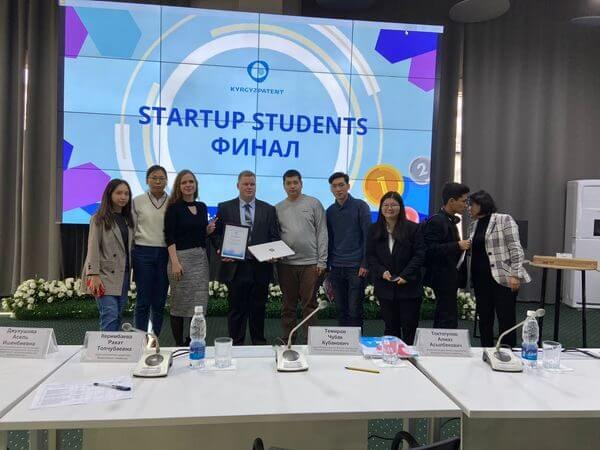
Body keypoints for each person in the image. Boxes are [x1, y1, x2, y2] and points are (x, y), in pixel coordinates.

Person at [212, 170, 280, 345]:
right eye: (245, 184)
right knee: (236, 309)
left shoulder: (269, 209)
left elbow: (274, 237)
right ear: (238, 186)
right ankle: (236, 345)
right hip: (236, 267)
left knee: (258, 308)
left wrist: (273, 253)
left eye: (252, 184)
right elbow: (216, 234)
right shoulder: (225, 207)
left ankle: (259, 344)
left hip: (260, 267)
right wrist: (221, 249)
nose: (249, 187)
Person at [467, 190, 531, 347]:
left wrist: (515, 274)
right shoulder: (473, 225)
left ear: (482, 204)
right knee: (484, 318)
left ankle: (508, 350)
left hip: (503, 278)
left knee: (505, 318)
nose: (469, 208)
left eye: (471, 205)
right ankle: (486, 349)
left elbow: (516, 249)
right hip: (480, 279)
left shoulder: (504, 219)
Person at [276, 169, 328, 343]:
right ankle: (288, 339)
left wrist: (322, 261)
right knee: (288, 305)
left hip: (311, 264)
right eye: (288, 183)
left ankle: (310, 341)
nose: (292, 186)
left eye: (295, 182)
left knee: (309, 305)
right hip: (286, 264)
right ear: (284, 185)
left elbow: (322, 232)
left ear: (301, 184)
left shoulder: (314, 203)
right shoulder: (277, 208)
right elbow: (275, 237)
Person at [366, 192, 425, 344]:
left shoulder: (413, 228)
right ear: (381, 208)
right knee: (390, 329)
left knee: (409, 328)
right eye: (385, 205)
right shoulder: (374, 229)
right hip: (385, 288)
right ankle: (392, 356)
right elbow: (371, 256)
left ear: (401, 207)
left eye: (393, 205)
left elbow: (419, 255)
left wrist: (405, 275)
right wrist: (381, 271)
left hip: (409, 287)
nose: (389, 208)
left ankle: (410, 357)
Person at [164, 170, 214, 346]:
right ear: (179, 186)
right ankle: (179, 345)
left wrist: (208, 230)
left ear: (196, 184)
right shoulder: (173, 208)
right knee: (179, 304)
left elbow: (198, 233)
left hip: (200, 260)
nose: (188, 185)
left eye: (191, 181)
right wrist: (175, 262)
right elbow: (169, 236)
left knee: (199, 304)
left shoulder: (202, 207)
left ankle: (194, 342)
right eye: (184, 182)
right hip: (180, 260)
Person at [84, 179, 134, 332]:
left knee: (117, 315)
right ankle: (104, 347)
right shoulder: (98, 218)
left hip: (123, 274)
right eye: (119, 193)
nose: (123, 197)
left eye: (126, 193)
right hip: (103, 275)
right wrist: (93, 274)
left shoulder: (128, 219)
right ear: (109, 194)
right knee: (110, 315)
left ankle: (112, 346)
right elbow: (93, 247)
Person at [326, 172, 371, 328]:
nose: (338, 189)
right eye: (334, 186)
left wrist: (365, 263)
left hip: (356, 268)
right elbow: (329, 240)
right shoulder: (330, 211)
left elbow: (368, 237)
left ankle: (356, 341)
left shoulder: (361, 206)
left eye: (341, 185)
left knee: (354, 310)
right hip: (336, 267)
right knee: (341, 310)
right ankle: (344, 342)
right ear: (331, 189)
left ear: (348, 186)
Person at [423, 182, 470, 329]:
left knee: (448, 315)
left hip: (449, 276)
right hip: (441, 277)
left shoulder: (449, 220)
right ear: (451, 201)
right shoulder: (437, 221)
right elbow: (429, 250)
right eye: (463, 201)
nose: (466, 205)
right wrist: (457, 245)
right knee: (445, 317)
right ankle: (443, 341)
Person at [131, 165, 169, 336]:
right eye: (154, 177)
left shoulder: (173, 202)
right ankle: (140, 338)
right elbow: (131, 228)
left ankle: (155, 338)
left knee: (159, 301)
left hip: (165, 253)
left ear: (166, 181)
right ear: (147, 180)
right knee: (143, 300)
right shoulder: (137, 201)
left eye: (162, 178)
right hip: (143, 252)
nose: (158, 181)